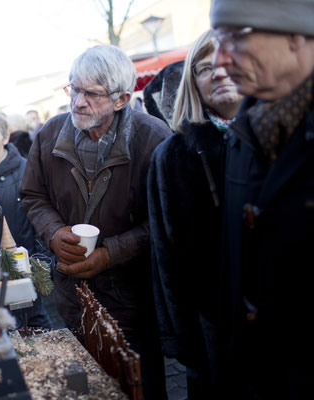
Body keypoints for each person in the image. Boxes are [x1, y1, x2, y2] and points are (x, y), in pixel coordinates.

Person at [20, 44, 171, 399]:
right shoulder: (49, 134)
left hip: (132, 303)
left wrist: (109, 254)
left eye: (91, 93)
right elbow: (33, 196)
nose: (77, 102)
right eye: (73, 89)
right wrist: (54, 232)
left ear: (120, 100)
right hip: (71, 297)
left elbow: (164, 222)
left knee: (138, 387)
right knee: (84, 390)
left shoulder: (155, 140)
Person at [209, 1, 314, 398]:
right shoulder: (247, 131)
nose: (221, 59)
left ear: (296, 35)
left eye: (236, 37)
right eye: (220, 40)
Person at [147, 29, 243, 400]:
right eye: (204, 68)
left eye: (226, 60)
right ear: (194, 83)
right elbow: (166, 258)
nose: (217, 72)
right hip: (212, 340)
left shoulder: (288, 135)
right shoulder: (171, 155)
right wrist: (184, 340)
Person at [0, 111, 51, 329]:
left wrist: (40, 261)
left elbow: (40, 214)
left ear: (6, 137)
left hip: (24, 260)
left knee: (35, 319)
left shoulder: (26, 169)